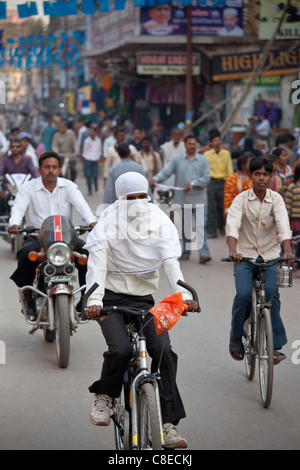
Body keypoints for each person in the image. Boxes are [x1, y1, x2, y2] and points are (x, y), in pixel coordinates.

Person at [84, 171, 199, 449]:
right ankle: (105, 396)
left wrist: (184, 296)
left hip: (144, 300)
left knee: (163, 350)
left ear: (148, 196)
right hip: (108, 298)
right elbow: (97, 266)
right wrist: (94, 301)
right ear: (119, 198)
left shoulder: (159, 221)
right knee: (121, 349)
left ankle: (168, 425)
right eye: (129, 198)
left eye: (141, 197)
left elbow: (171, 263)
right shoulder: (107, 224)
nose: (136, 203)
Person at [8, 151, 97, 314]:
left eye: (54, 167)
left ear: (59, 169)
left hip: (66, 239)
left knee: (88, 253)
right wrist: (14, 223)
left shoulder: (69, 186)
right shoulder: (28, 188)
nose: (51, 170)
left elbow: (82, 206)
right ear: (39, 169)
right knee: (26, 254)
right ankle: (27, 294)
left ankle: (86, 295)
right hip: (38, 239)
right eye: (47, 167)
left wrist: (91, 221)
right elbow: (19, 207)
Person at [226, 156, 293, 363]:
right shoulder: (241, 200)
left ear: (270, 176)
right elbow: (233, 226)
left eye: (265, 174)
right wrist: (233, 250)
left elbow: (283, 226)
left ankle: (275, 345)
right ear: (251, 176)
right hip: (244, 257)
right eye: (257, 174)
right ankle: (236, 336)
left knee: (272, 294)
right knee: (244, 295)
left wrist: (287, 251)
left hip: (271, 256)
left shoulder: (277, 199)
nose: (261, 178)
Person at [152, 135, 211, 264]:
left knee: (200, 227)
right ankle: (185, 252)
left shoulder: (203, 160)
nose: (192, 146)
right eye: (190, 144)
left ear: (197, 146)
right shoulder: (177, 159)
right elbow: (166, 171)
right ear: (185, 145)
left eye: (194, 144)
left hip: (200, 199)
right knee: (186, 227)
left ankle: (204, 253)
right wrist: (155, 179)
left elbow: (206, 178)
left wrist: (193, 184)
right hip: (183, 199)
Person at [204, 129, 233, 238]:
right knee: (211, 208)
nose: (218, 142)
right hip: (211, 182)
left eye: (219, 140)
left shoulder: (226, 154)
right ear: (211, 142)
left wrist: (230, 182)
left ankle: (222, 228)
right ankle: (213, 231)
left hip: (223, 182)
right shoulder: (206, 154)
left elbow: (229, 169)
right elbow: (205, 170)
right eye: (215, 140)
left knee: (223, 207)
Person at [223, 152, 253, 218]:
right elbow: (228, 197)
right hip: (235, 212)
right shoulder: (232, 179)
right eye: (249, 162)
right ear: (242, 165)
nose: (252, 164)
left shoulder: (255, 177)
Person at [285, 163, 300, 277]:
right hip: (296, 221)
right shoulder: (292, 187)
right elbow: (287, 206)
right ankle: (297, 267)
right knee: (297, 244)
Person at [82, 123, 102, 196]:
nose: (91, 133)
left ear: (95, 132)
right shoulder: (86, 141)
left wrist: (99, 158)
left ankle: (96, 184)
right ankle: (90, 190)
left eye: (92, 131)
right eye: (89, 131)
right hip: (88, 159)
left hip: (95, 159)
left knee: (95, 175)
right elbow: (84, 151)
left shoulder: (98, 140)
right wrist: (84, 162)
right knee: (88, 175)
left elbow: (99, 150)